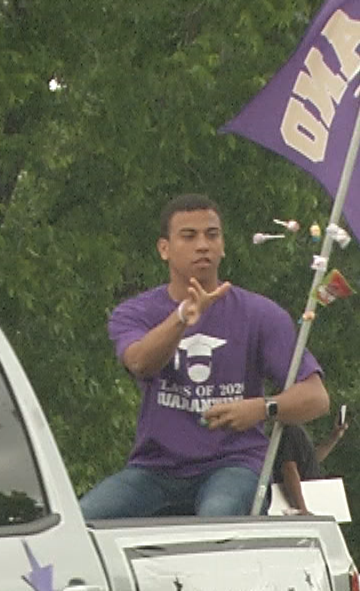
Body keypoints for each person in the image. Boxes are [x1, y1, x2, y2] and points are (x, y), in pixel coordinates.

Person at [80, 194, 328, 519]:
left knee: (217, 514)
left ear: (223, 246)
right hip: (156, 470)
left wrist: (262, 408)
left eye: (212, 235)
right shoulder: (136, 312)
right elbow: (140, 362)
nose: (203, 245)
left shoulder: (260, 314)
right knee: (82, 520)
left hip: (234, 466)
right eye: (189, 236)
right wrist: (182, 317)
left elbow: (317, 398)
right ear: (164, 249)